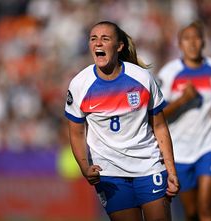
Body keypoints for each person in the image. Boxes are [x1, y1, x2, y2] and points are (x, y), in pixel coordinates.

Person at [64, 21, 180, 221]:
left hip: (148, 165)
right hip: (109, 172)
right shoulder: (79, 84)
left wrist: (171, 170)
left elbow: (159, 126)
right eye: (93, 39)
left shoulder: (142, 78)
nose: (98, 43)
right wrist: (85, 168)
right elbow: (76, 132)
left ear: (119, 46)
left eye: (105, 39)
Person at [157, 20, 211, 221]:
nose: (192, 43)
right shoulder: (169, 73)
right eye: (186, 39)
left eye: (196, 38)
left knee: (206, 209)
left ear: (204, 42)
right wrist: (183, 100)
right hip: (181, 150)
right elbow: (158, 115)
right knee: (191, 213)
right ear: (179, 44)